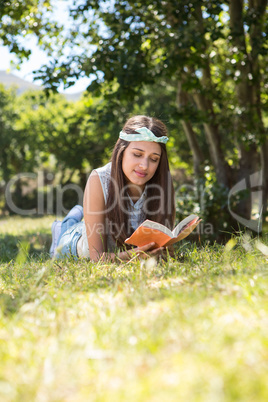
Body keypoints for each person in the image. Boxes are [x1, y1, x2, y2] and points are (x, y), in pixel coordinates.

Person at [50, 115, 175, 262]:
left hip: (114, 248)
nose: (144, 165)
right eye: (137, 154)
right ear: (121, 152)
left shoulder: (161, 184)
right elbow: (96, 258)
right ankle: (62, 227)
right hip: (74, 244)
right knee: (68, 229)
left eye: (154, 159)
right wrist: (135, 256)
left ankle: (77, 215)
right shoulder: (99, 178)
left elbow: (165, 250)